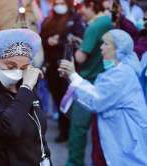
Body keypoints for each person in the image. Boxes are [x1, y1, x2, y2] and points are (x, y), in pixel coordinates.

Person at [59, 29, 147, 166]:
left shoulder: (122, 74)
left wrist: (73, 75)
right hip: (115, 138)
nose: (101, 47)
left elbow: (96, 99)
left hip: (124, 141)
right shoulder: (118, 71)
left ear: (118, 49)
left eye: (106, 44)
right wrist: (71, 77)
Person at [0, 28, 51, 166]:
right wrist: (27, 88)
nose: (17, 72)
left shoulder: (24, 86)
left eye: (24, 68)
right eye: (10, 66)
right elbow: (10, 128)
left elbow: (39, 131)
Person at [65, 0, 113, 165]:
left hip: (89, 81)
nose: (80, 11)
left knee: (78, 128)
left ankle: (74, 163)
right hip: (103, 79)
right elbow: (97, 49)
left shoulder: (95, 26)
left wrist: (74, 51)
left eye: (82, 7)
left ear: (92, 5)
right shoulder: (108, 20)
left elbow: (80, 57)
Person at [40, 0, 85, 142]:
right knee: (58, 99)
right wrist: (48, 41)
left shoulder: (75, 19)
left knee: (69, 98)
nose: (59, 4)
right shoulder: (49, 19)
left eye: (62, 1)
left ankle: (71, 132)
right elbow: (41, 38)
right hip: (52, 68)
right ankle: (64, 130)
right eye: (57, 2)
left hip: (68, 66)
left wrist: (59, 42)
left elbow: (78, 39)